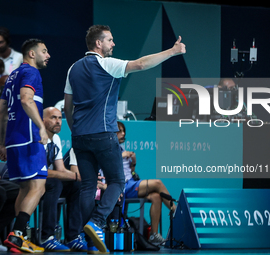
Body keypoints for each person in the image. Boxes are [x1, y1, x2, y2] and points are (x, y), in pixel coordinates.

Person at [63, 24, 185, 254]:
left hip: (79, 136)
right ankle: (96, 223)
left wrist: (75, 129)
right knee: (117, 182)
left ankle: (89, 239)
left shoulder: (73, 68)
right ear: (98, 43)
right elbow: (140, 64)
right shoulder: (108, 64)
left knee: (88, 186)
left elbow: (68, 106)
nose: (113, 44)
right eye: (110, 40)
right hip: (103, 133)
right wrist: (172, 51)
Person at [0, 38, 50, 253]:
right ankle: (18, 235)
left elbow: (1, 112)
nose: (48, 55)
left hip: (12, 140)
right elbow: (27, 100)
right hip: (29, 138)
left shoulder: (11, 76)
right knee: (39, 186)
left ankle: (21, 240)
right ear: (31, 54)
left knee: (25, 188)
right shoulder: (31, 72)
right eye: (44, 51)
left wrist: (2, 143)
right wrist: (41, 127)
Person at [117, 121, 176, 245]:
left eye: (124, 131)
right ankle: (175, 211)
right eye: (119, 131)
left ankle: (154, 235)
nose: (123, 134)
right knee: (158, 183)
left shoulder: (122, 149)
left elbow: (131, 172)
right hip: (123, 187)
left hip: (132, 183)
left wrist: (133, 162)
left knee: (156, 196)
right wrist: (122, 155)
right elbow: (109, 163)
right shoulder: (111, 149)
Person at [39, 107, 87, 252]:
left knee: (76, 186)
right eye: (53, 118)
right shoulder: (38, 138)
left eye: (60, 118)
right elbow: (43, 172)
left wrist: (80, 178)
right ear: (43, 120)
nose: (58, 121)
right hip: (28, 179)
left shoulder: (57, 139)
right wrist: (78, 176)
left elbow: (60, 169)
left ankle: (73, 237)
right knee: (54, 184)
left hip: (44, 180)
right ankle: (46, 237)